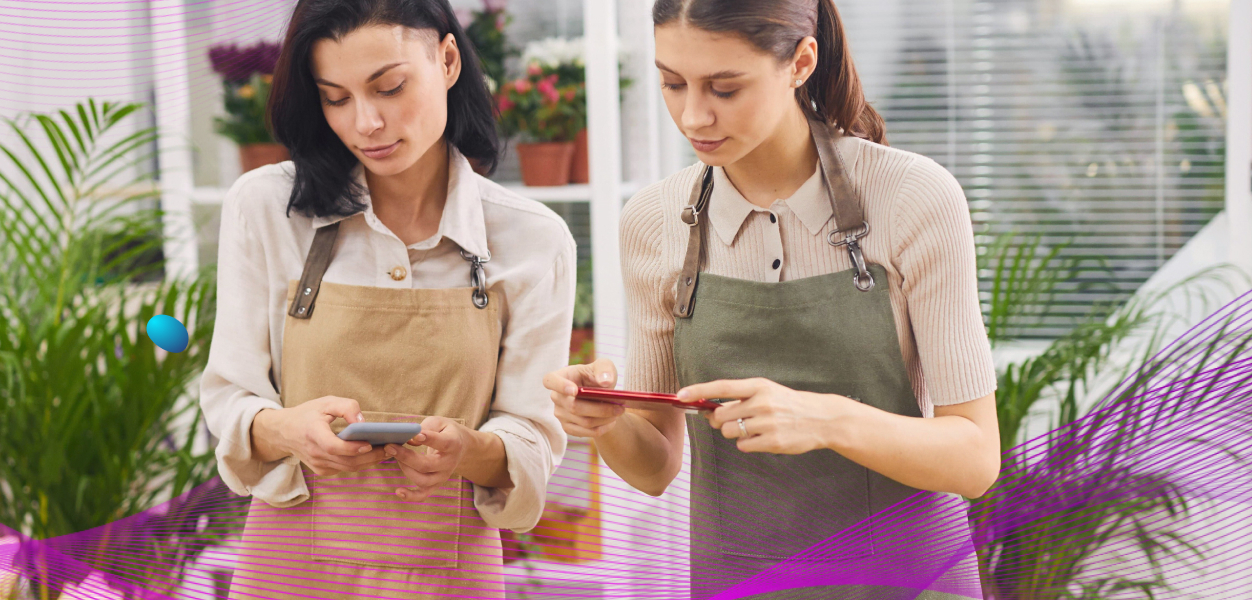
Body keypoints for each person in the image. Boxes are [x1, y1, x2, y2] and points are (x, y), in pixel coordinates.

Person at [544, 1, 1000, 599]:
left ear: (800, 62)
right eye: (672, 83)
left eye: (725, 88)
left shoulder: (912, 198)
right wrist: (604, 422)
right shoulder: (653, 222)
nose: (693, 115)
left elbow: (974, 458)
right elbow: (655, 466)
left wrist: (824, 418)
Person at [199, 1, 574, 598]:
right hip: (290, 569)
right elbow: (230, 398)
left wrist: (468, 450)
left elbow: (531, 436)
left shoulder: (533, 238)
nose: (366, 123)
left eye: (390, 87)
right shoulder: (267, 209)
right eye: (336, 98)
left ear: (448, 60)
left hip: (450, 572)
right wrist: (290, 430)